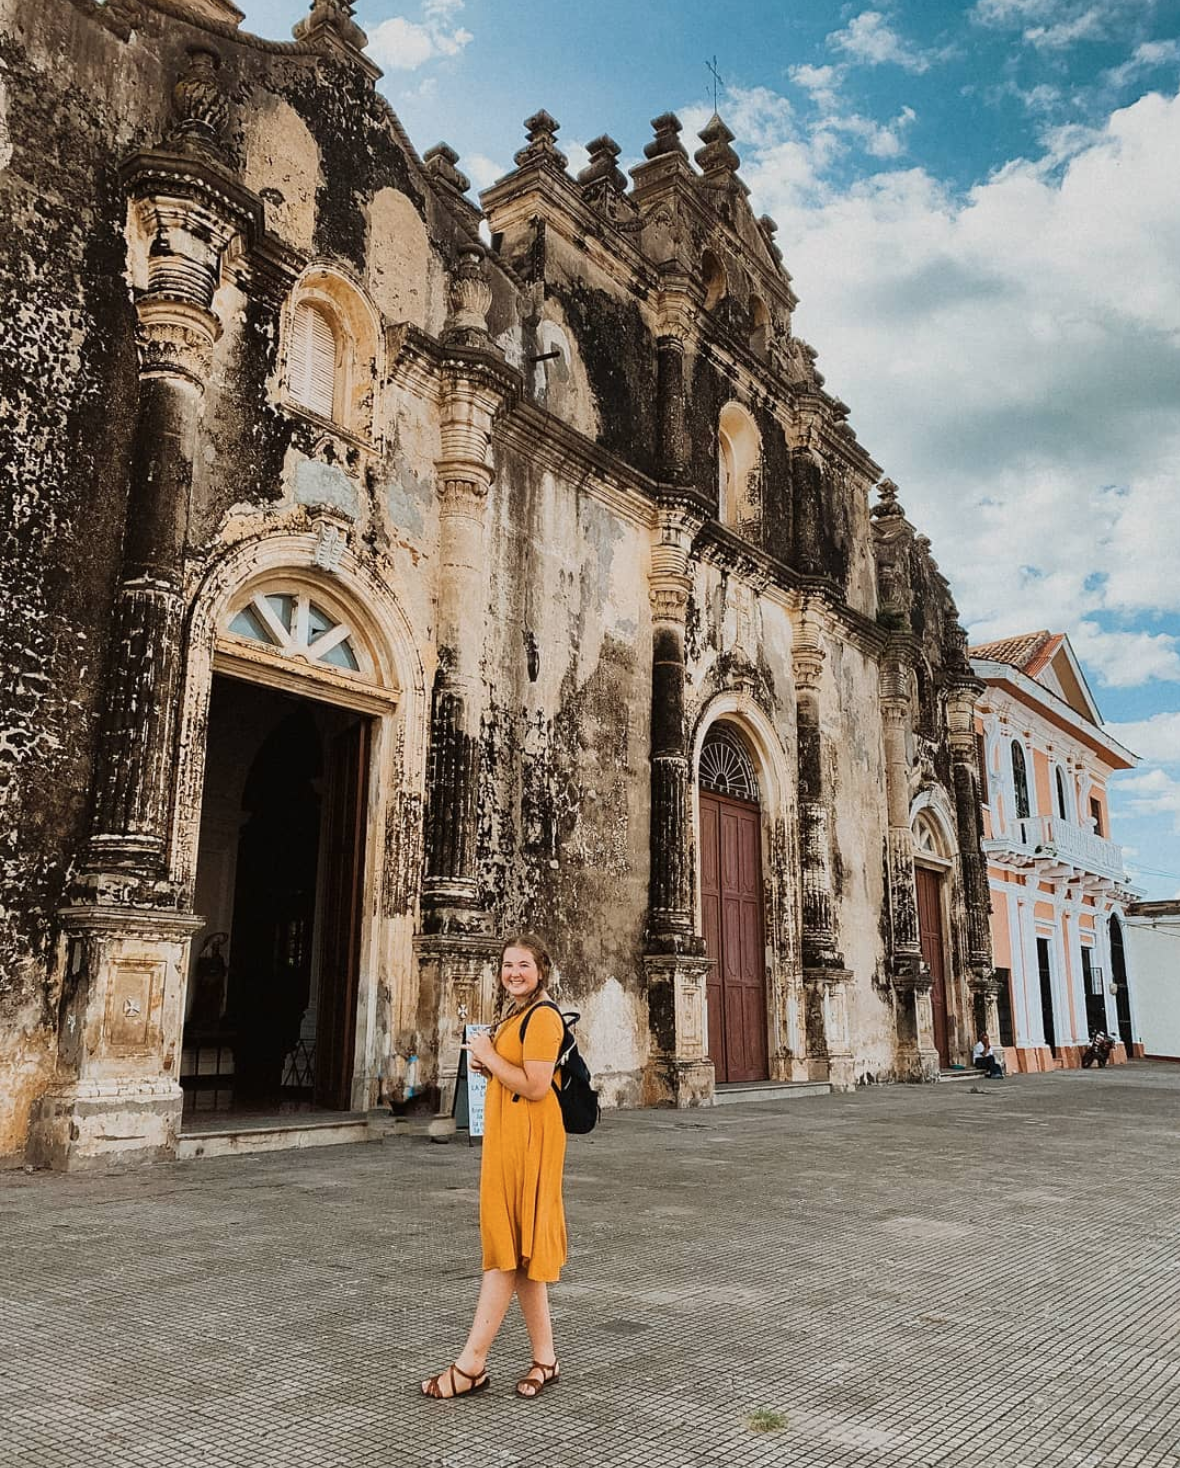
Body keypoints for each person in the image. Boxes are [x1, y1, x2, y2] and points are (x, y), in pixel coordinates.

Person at [421, 934, 568, 1402]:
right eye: (507, 965)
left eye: (523, 965)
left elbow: (537, 1086)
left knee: (506, 1250)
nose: (514, 973)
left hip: (530, 1142)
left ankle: (471, 1364)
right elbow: (517, 1073)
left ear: (541, 970)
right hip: (509, 1138)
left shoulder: (543, 1017)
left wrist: (488, 1057)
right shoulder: (517, 1014)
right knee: (519, 1250)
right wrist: (491, 1064)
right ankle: (545, 1359)